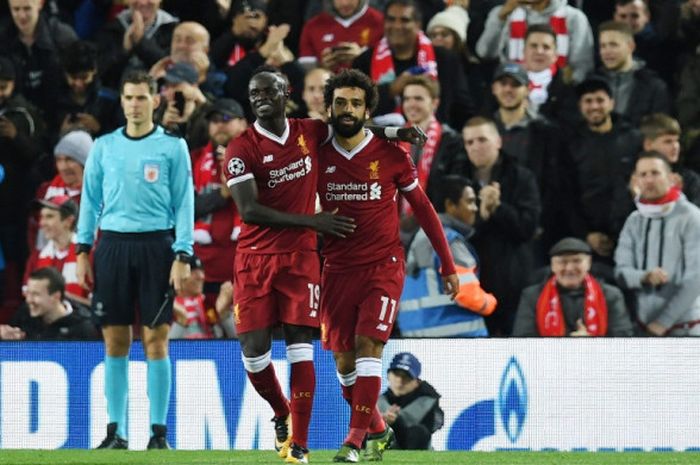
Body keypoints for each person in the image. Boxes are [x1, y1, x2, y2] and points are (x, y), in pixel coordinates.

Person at [224, 66, 425, 463]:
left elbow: (351, 126)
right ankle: (281, 411)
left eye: (270, 90)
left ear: (287, 93)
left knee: (301, 350)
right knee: (254, 354)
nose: (262, 98)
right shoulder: (240, 149)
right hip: (254, 260)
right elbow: (248, 210)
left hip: (301, 259)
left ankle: (299, 445)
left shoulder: (309, 132)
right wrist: (311, 221)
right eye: (255, 93)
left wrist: (395, 133)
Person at [316, 69, 457, 462]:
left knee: (368, 349)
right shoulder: (317, 150)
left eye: (356, 103)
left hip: (383, 266)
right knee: (344, 364)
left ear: (367, 110)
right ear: (329, 106)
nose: (347, 109)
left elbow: (425, 210)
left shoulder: (391, 154)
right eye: (340, 102)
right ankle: (379, 430)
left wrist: (448, 264)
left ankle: (355, 440)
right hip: (337, 269)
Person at [76, 70, 194, 449]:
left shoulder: (173, 147)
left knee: (156, 340)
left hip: (157, 246)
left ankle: (158, 434)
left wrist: (183, 252)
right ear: (123, 101)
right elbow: (90, 201)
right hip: (112, 245)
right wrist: (82, 250)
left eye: (142, 97)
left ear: (154, 101)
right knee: (115, 341)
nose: (135, 104)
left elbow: (185, 202)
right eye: (129, 98)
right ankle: (116, 431)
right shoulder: (105, 146)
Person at [461, 116, 541, 336]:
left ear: (498, 141)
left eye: (482, 140)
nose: (476, 147)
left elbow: (528, 227)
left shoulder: (522, 177)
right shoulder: (456, 178)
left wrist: (498, 208)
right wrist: (480, 217)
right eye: (469, 142)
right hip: (473, 286)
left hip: (513, 284)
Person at [352, 0, 474, 130]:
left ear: (418, 24)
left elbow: (462, 108)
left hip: (436, 142)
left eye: (405, 20)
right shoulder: (364, 61)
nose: (397, 26)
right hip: (380, 142)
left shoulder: (445, 59)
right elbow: (356, 109)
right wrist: (390, 90)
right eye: (391, 20)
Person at [615, 152, 700, 336]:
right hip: (643, 325)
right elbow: (620, 272)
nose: (649, 180)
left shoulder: (692, 217)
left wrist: (663, 322)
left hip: (686, 328)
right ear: (635, 180)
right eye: (643, 175)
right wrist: (644, 277)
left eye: (655, 173)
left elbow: (696, 278)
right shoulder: (634, 220)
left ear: (671, 178)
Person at [400, 175, 496, 337]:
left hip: (415, 337)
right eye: (470, 201)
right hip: (458, 339)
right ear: (450, 205)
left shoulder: (419, 238)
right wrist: (490, 302)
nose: (474, 208)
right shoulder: (450, 241)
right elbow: (467, 293)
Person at [512, 237, 633, 336]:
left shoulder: (611, 295)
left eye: (577, 261)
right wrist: (568, 347)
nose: (569, 268)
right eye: (562, 262)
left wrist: (592, 344)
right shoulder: (532, 296)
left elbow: (624, 339)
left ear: (589, 263)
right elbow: (522, 340)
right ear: (552, 266)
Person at [476, 0, 594, 83]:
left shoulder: (574, 18)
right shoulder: (504, 13)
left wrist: (565, 84)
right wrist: (500, 18)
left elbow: (583, 66)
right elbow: (485, 53)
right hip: (513, 89)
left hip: (558, 95)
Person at [596, 20, 670, 127]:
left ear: (631, 47)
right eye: (603, 46)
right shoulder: (591, 83)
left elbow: (658, 129)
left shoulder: (654, 87)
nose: (607, 51)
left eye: (613, 45)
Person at [24, 196, 89, 306]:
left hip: (81, 320)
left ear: (68, 221)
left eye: (49, 217)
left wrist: (61, 299)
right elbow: (27, 296)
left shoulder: (89, 256)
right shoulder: (37, 256)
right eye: (41, 217)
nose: (42, 223)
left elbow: (100, 306)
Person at [0, 267, 97, 340]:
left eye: (35, 294)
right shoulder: (25, 313)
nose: (29, 300)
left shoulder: (83, 327)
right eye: (28, 293)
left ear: (56, 296)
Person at [377, 352, 443, 450]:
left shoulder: (428, 401)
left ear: (417, 381)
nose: (399, 381)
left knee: (419, 431)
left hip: (416, 452)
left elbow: (431, 428)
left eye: (406, 377)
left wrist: (396, 422)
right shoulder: (378, 402)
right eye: (396, 374)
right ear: (388, 375)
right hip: (383, 451)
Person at [298, 0, 384, 72]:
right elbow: (304, 75)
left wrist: (362, 60)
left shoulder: (382, 23)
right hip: (325, 89)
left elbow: (389, 73)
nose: (345, 3)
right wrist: (322, 68)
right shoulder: (312, 26)